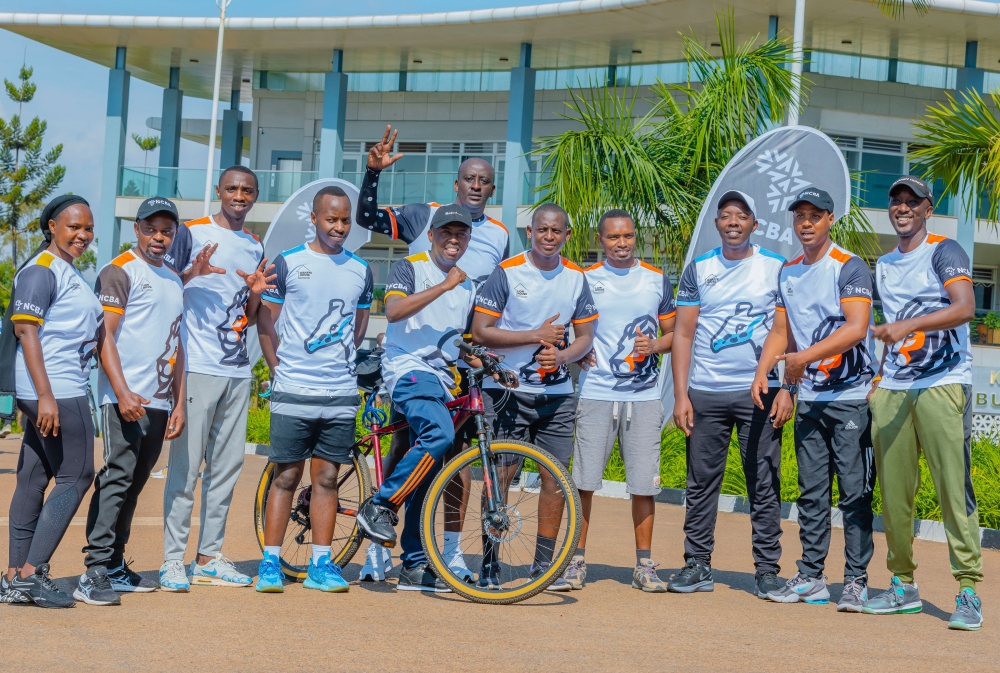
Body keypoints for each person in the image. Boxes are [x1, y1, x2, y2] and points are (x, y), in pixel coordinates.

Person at [355, 125, 510, 582]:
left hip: (449, 373)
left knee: (434, 456)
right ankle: (379, 507)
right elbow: (396, 308)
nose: (453, 239)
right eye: (447, 233)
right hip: (408, 368)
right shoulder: (413, 262)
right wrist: (371, 173)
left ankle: (417, 556)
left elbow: (468, 327)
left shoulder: (484, 256)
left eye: (460, 235)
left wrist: (485, 356)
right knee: (435, 438)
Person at [861, 176, 983, 630]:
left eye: (913, 201)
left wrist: (907, 329)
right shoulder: (885, 263)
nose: (903, 207)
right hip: (894, 386)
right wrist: (878, 375)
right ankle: (902, 585)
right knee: (894, 495)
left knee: (953, 489)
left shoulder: (944, 250)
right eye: (897, 201)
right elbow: (889, 329)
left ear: (928, 208)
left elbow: (965, 307)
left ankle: (968, 590)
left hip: (944, 382)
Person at [751, 188, 876, 611]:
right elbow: (781, 332)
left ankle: (856, 581)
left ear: (830, 219)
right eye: (799, 216)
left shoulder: (849, 266)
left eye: (815, 216)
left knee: (855, 492)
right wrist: (764, 370)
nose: (806, 223)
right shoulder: (787, 271)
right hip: (811, 398)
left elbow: (857, 327)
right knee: (812, 492)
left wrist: (802, 359)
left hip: (852, 397)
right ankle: (811, 577)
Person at [160, 166, 275, 591]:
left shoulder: (253, 243)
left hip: (236, 369)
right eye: (231, 188)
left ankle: (208, 557)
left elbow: (244, 314)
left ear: (255, 196)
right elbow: (164, 287)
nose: (239, 195)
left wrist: (257, 292)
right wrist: (194, 273)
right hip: (196, 367)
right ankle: (173, 560)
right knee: (185, 472)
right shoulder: (190, 232)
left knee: (226, 470)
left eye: (247, 190)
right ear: (218, 191)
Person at [472, 203, 598, 591]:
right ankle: (490, 564)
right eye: (542, 230)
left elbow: (586, 339)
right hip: (507, 391)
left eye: (556, 231)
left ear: (567, 235)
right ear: (530, 232)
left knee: (555, 481)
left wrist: (561, 354)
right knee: (500, 478)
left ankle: (543, 565)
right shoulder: (507, 272)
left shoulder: (577, 277)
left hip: (558, 395)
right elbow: (480, 331)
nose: (548, 236)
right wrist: (535, 336)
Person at [668, 190, 787, 598]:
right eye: (725, 215)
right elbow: (683, 334)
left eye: (741, 215)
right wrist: (681, 395)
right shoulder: (698, 268)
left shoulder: (776, 267)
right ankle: (697, 564)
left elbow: (787, 330)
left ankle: (768, 571)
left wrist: (785, 384)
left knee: (764, 483)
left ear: (755, 224)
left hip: (759, 392)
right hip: (706, 392)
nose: (733, 221)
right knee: (701, 483)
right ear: (716, 224)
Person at [254, 186, 373, 594]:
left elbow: (358, 330)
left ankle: (322, 565)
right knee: (286, 476)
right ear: (315, 219)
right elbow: (266, 323)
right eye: (331, 219)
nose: (338, 227)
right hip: (293, 389)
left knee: (326, 479)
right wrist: (277, 370)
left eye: (345, 220)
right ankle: (270, 562)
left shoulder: (361, 269)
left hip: (339, 392)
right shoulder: (287, 263)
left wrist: (338, 365)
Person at [74, 198, 188, 606]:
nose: (159, 237)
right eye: (151, 229)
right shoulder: (119, 270)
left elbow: (178, 344)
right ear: (137, 228)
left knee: (135, 485)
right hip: (125, 397)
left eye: (167, 231)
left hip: (158, 402)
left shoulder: (174, 279)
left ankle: (116, 564)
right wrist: (121, 393)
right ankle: (95, 570)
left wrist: (179, 403)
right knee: (117, 478)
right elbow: (104, 337)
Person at [1, 195, 103, 608]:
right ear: (52, 228)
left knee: (34, 476)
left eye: (88, 228)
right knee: (77, 474)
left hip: (52, 385)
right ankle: (32, 574)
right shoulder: (41, 270)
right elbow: (26, 331)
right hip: (56, 388)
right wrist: (45, 396)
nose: (82, 235)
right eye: (73, 227)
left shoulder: (64, 270)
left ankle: (12, 576)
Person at [572, 209, 675, 592]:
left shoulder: (655, 279)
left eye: (628, 236)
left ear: (636, 238)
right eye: (614, 237)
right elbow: (570, 328)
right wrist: (575, 351)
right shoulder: (584, 280)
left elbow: (674, 332)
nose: (622, 244)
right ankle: (576, 560)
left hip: (645, 397)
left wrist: (656, 345)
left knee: (644, 486)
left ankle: (644, 565)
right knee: (583, 483)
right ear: (601, 240)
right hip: (596, 393)